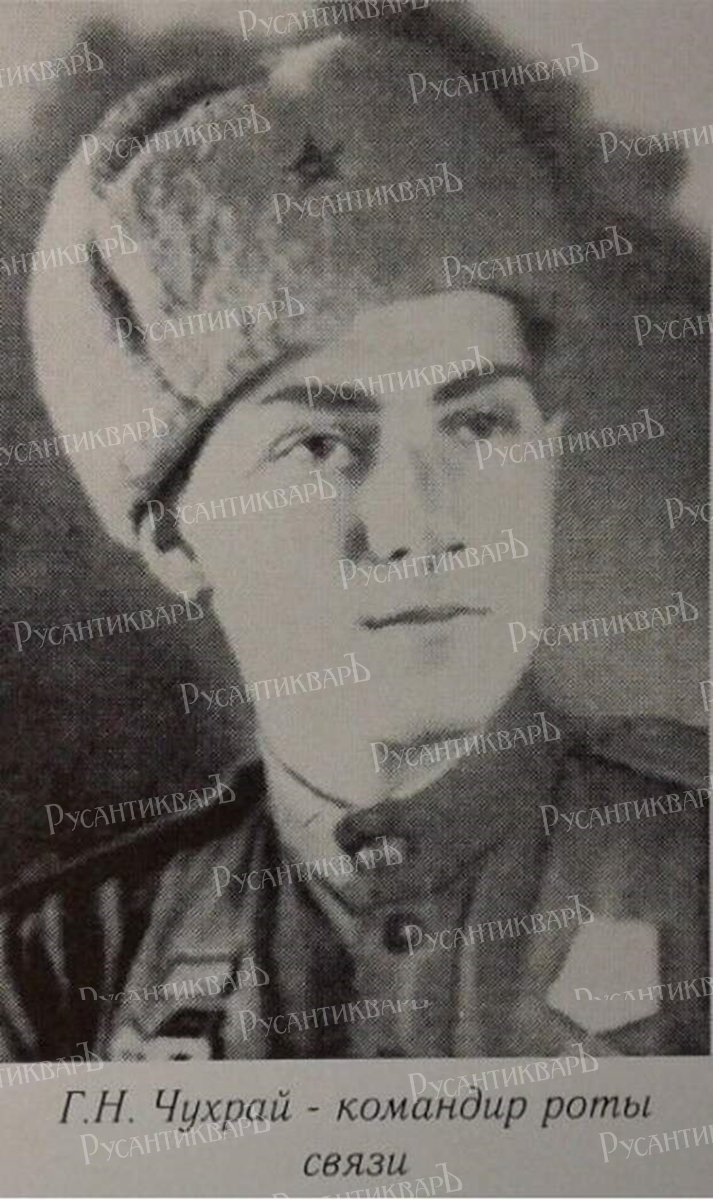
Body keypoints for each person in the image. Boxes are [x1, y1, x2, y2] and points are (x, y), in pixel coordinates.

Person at [0, 0, 707, 1061]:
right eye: (321, 445)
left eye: (477, 423)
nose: (418, 526)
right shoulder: (67, 966)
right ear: (175, 537)